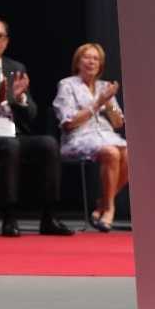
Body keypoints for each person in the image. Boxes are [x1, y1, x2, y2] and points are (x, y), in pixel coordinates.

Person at [0, 17, 73, 237]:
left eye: (0, 36)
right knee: (10, 147)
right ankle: (9, 216)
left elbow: (31, 114)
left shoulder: (15, 68)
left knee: (48, 144)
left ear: (7, 41)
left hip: (14, 131)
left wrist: (19, 98)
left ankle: (49, 216)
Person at [52, 43, 128, 233]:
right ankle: (109, 209)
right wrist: (97, 103)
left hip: (105, 134)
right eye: (87, 57)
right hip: (77, 138)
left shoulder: (105, 87)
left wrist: (109, 103)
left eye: (96, 58)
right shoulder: (67, 84)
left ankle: (102, 203)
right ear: (78, 62)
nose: (91, 62)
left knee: (129, 154)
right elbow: (68, 122)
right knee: (111, 153)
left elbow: (118, 123)